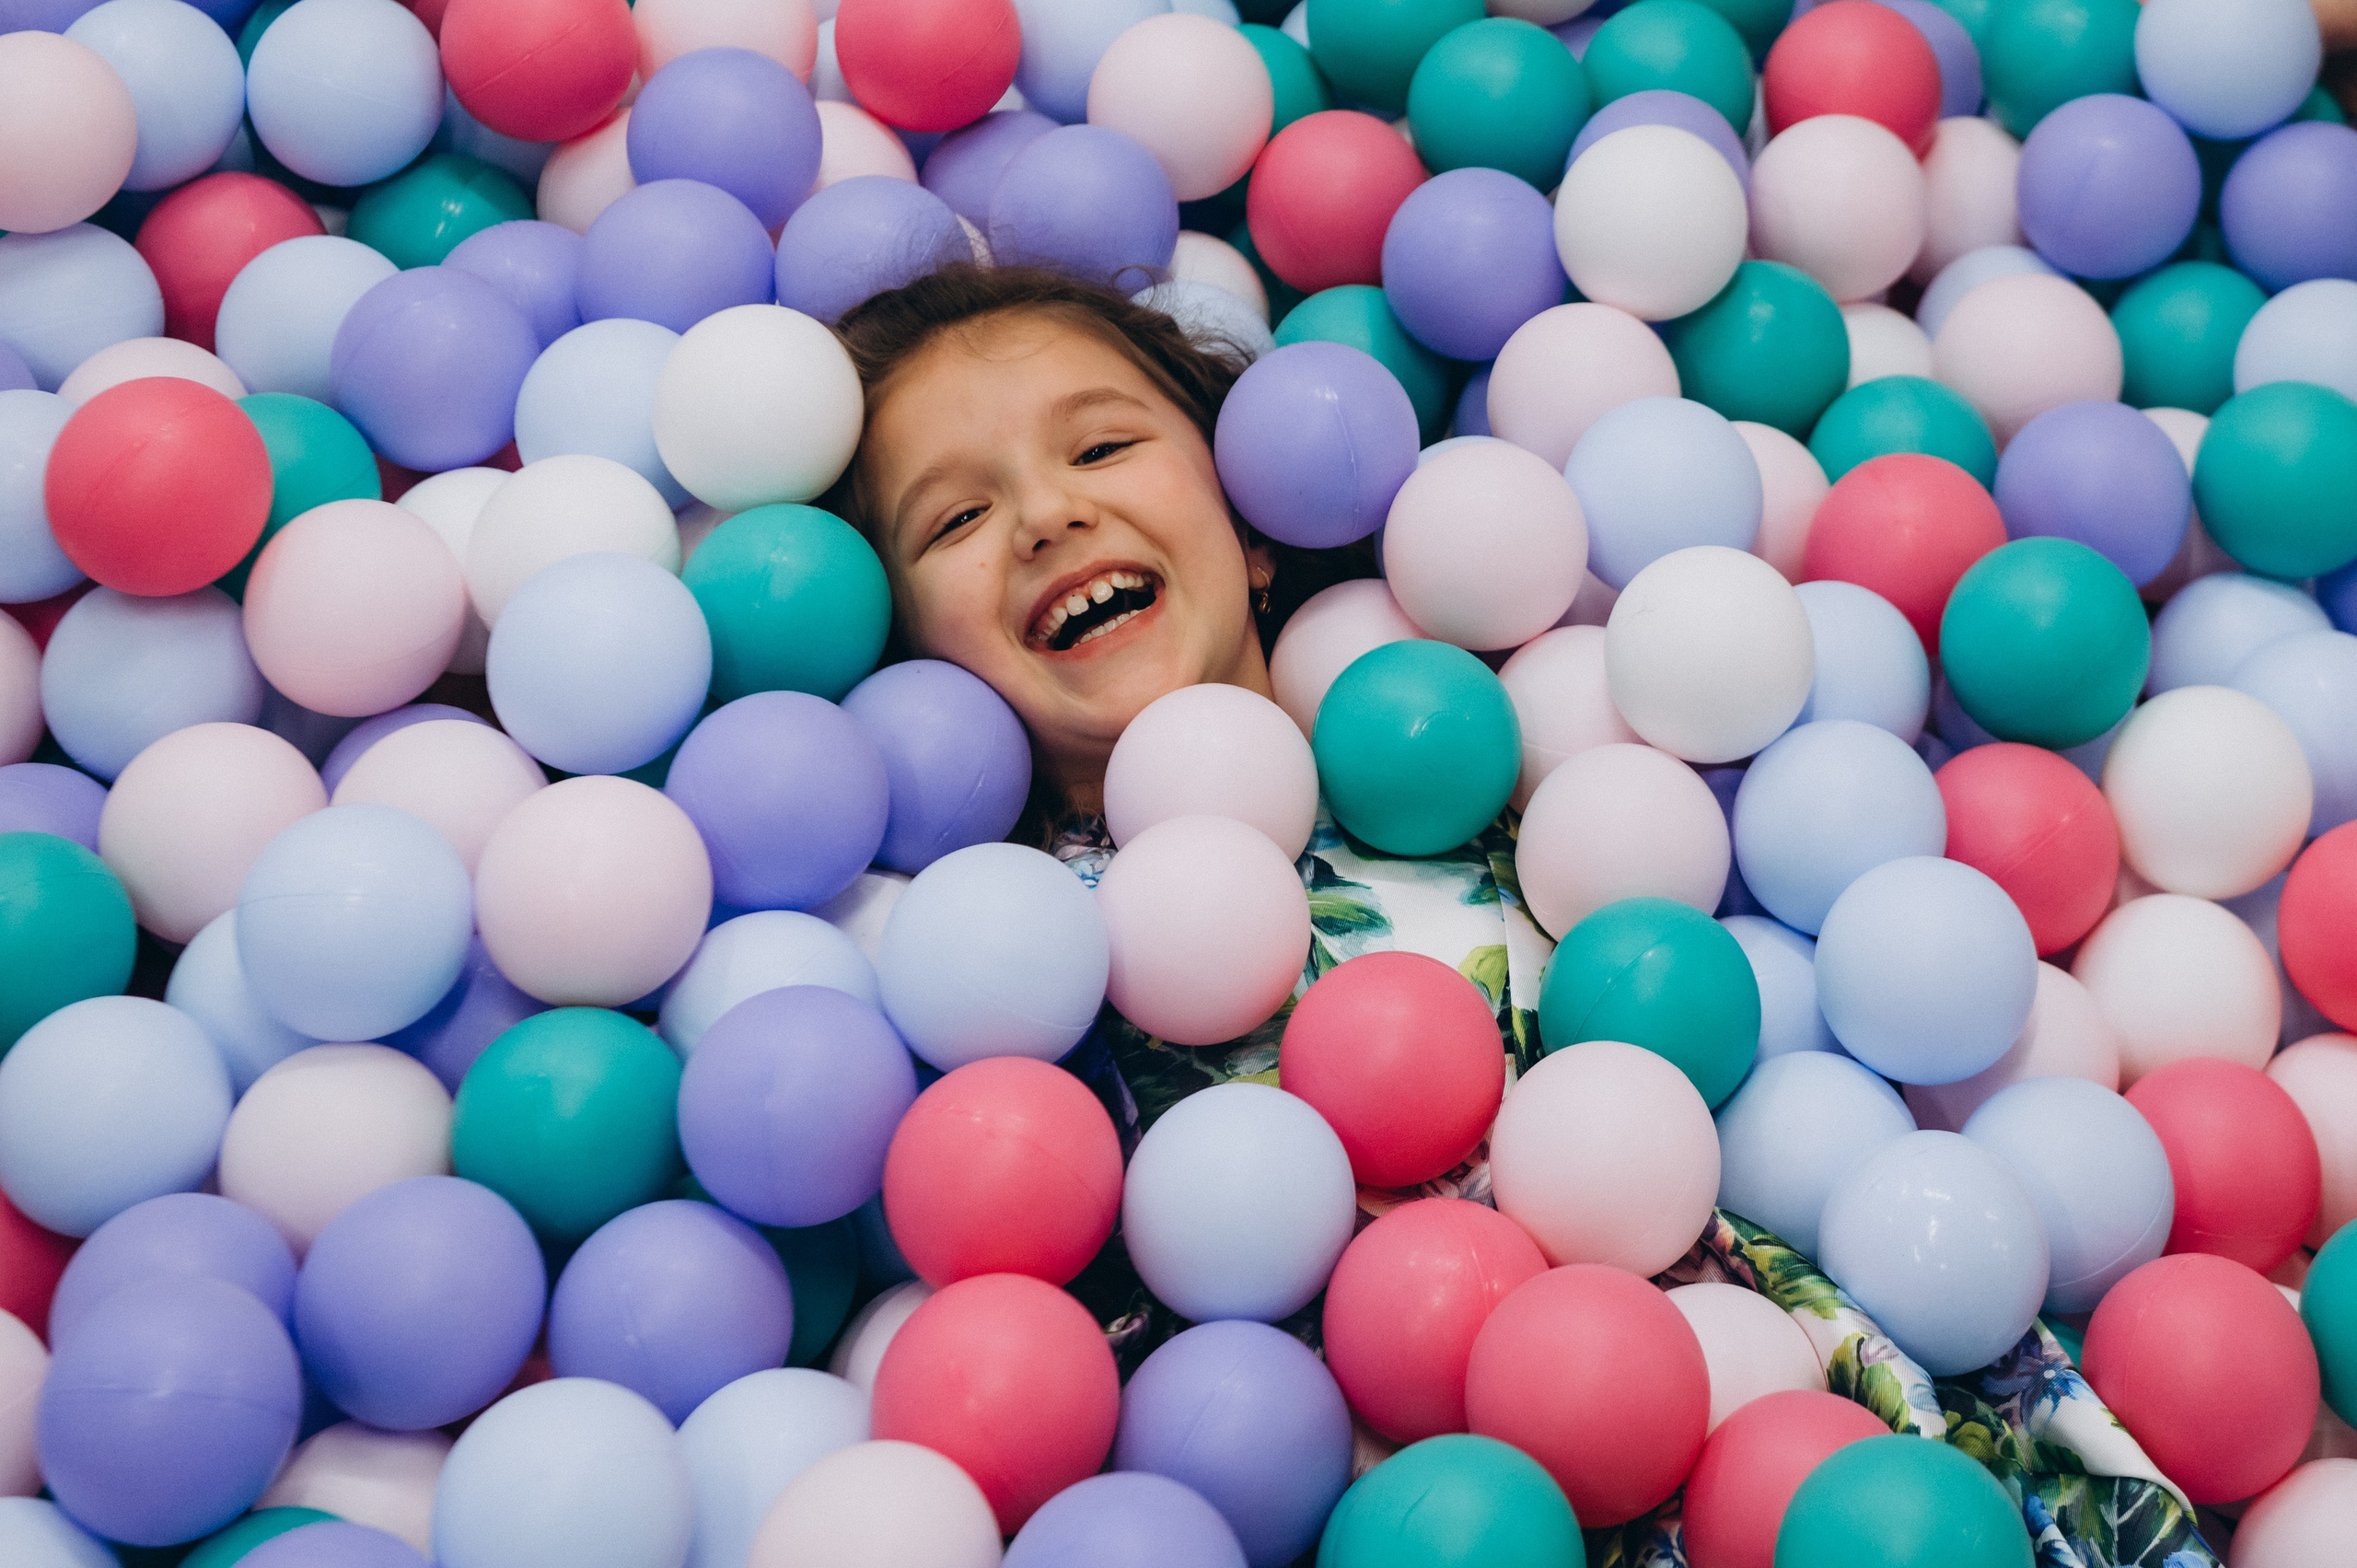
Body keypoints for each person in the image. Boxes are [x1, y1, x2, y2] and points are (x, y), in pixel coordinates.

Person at [830, 264, 1554, 1160]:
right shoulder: (976, 954)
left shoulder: (1505, 756)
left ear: (1252, 526)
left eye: (1099, 449)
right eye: (958, 516)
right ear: (910, 654)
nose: (1046, 515)